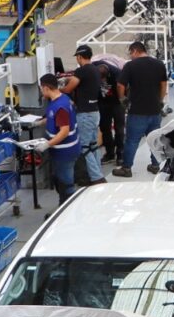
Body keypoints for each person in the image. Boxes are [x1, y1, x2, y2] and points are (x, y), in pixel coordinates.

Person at [115, 40, 167, 177]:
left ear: (135, 51)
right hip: (155, 111)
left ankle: (126, 168)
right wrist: (160, 101)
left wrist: (122, 99)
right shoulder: (159, 64)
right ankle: (155, 166)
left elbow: (120, 85)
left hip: (137, 112)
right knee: (154, 140)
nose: (130, 56)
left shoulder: (130, 66)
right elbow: (163, 85)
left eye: (130, 53)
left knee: (132, 141)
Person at [63, 46, 107, 187]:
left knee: (84, 147)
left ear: (79, 57)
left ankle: (96, 177)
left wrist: (59, 90)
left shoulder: (81, 71)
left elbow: (69, 88)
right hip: (94, 113)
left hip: (85, 114)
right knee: (93, 146)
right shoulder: (95, 69)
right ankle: (98, 173)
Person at [39, 73, 79, 205]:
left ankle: (68, 209)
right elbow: (55, 118)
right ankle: (63, 206)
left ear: (46, 88)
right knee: (60, 180)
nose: (41, 91)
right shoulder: (62, 99)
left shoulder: (60, 106)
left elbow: (64, 131)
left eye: (41, 88)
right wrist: (40, 122)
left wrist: (47, 144)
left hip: (65, 152)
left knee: (66, 185)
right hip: (61, 152)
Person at [94, 54, 125, 165]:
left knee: (119, 129)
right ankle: (110, 153)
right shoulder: (94, 66)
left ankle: (120, 154)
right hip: (102, 102)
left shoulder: (117, 72)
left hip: (117, 102)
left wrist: (123, 100)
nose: (103, 81)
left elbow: (123, 86)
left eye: (104, 79)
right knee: (104, 128)